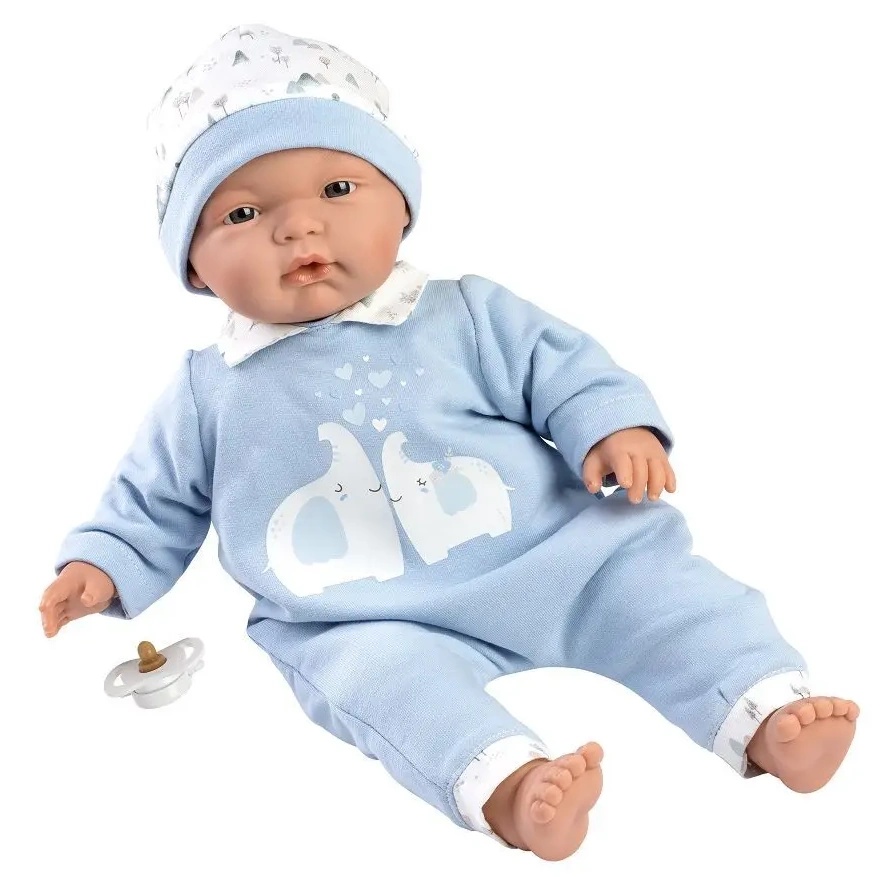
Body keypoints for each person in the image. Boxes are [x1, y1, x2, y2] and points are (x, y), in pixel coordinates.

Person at [38, 23, 858, 861]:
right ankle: (510, 787)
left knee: (666, 594)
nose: (298, 227)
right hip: (364, 615)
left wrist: (613, 425)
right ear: (194, 266)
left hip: (562, 556)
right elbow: (151, 497)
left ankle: (763, 712)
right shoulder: (209, 390)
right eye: (244, 212)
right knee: (383, 686)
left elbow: (563, 367)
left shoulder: (461, 313)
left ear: (402, 207)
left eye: (338, 188)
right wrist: (104, 563)